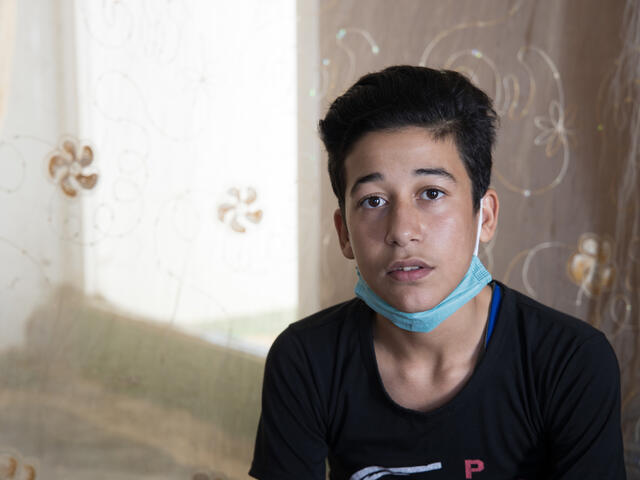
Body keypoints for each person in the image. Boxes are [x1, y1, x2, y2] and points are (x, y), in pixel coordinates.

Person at [249, 65, 626, 479]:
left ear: (484, 216)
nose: (402, 231)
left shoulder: (569, 362)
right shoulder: (307, 360)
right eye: (373, 201)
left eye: (431, 193)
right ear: (343, 233)